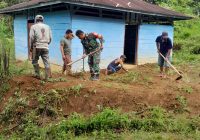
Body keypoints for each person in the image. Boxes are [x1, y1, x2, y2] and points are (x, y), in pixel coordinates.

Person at [30, 15, 52, 80]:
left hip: (36, 46)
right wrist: (46, 44)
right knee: (46, 62)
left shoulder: (33, 26)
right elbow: (50, 38)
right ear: (43, 20)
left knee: (34, 61)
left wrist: (31, 47)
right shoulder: (48, 27)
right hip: (46, 46)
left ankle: (37, 75)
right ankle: (47, 77)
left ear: (36, 20)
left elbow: (31, 37)